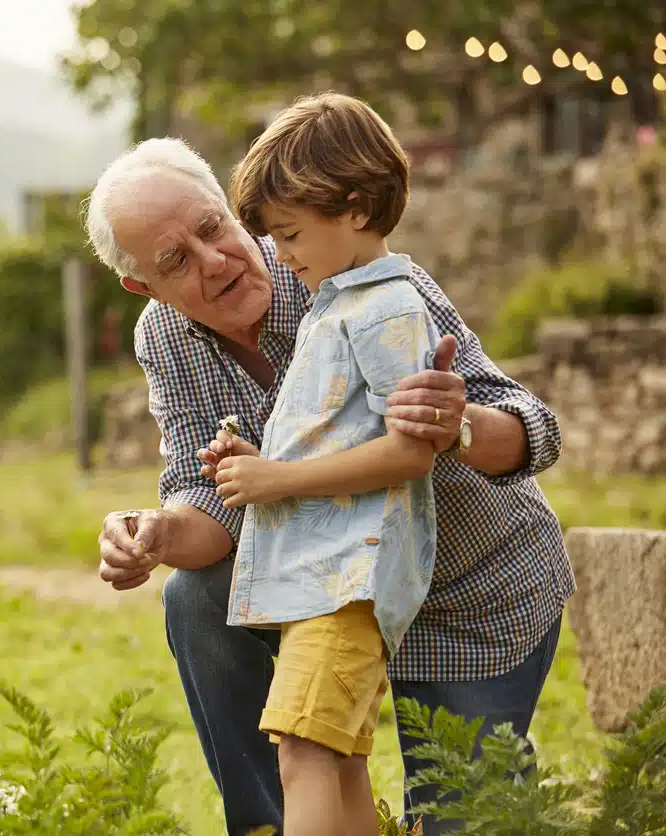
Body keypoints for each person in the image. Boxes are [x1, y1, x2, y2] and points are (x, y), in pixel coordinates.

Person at [84, 123, 575, 833]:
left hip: (465, 592)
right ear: (142, 284)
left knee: (468, 820)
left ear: (228, 203)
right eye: (176, 259)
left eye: (212, 228)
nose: (216, 261)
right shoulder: (163, 337)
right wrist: (157, 534)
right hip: (330, 590)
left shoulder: (351, 268)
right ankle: (270, 825)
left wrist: (456, 423)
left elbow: (532, 425)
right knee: (196, 600)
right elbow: (209, 502)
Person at [207, 92, 442, 836]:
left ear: (356, 207)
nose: (280, 254)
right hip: (323, 577)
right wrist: (258, 463)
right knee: (332, 758)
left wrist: (277, 480)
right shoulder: (334, 307)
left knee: (305, 752)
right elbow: (337, 441)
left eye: (291, 232)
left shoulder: (389, 308)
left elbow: (411, 450)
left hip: (350, 580)